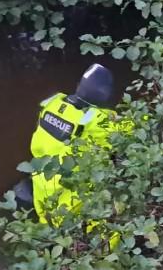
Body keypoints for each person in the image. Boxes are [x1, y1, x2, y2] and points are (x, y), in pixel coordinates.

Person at [27, 63, 134, 225]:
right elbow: (134, 128)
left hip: (42, 191)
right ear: (105, 96)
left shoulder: (52, 104)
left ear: (79, 86)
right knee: (108, 232)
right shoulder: (97, 121)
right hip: (72, 201)